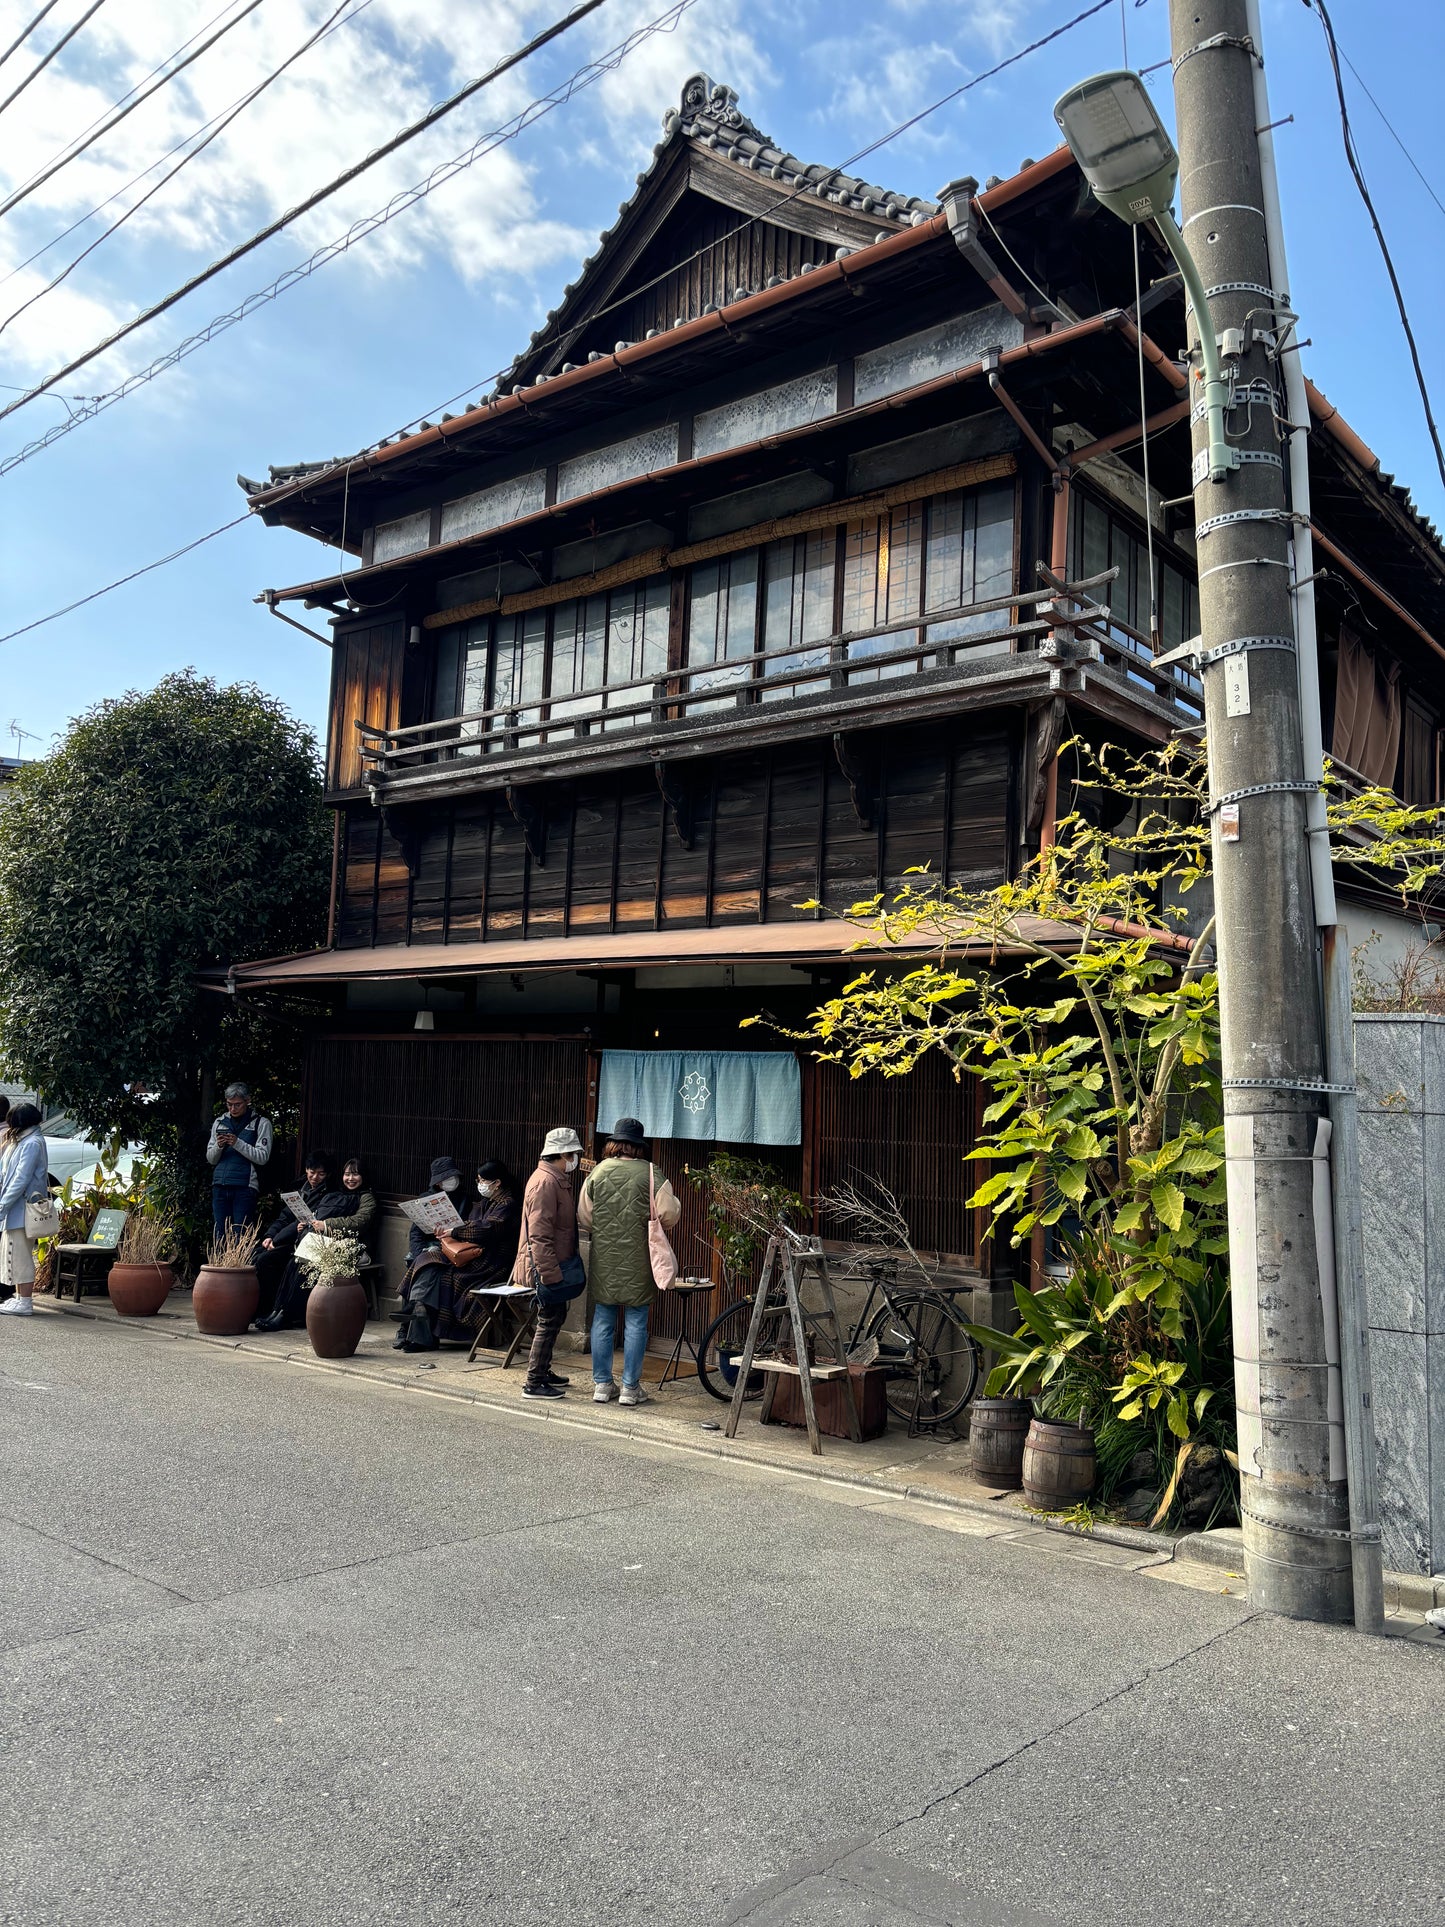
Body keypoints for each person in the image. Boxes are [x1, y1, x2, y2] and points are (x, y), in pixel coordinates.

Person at [578, 1117, 680, 1408]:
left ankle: (601, 1384)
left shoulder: (597, 1172)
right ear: (638, 1146)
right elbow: (669, 1214)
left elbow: (584, 1216)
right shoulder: (651, 1173)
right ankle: (629, 1388)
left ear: (614, 1143)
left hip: (605, 1256)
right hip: (640, 1257)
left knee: (603, 1318)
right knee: (636, 1321)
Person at [396, 1157, 522, 1353]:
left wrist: (453, 1231)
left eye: (482, 1180)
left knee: (442, 1276)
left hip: (489, 1262)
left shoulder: (508, 1204)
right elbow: (470, 1225)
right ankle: (415, 1312)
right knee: (426, 1261)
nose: (479, 1184)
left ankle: (416, 1320)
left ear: (497, 1183)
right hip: (470, 1255)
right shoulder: (484, 1202)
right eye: (478, 1181)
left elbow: (487, 1228)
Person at [512, 1127, 586, 1400]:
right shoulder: (546, 1183)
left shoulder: (553, 1179)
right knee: (548, 1320)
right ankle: (533, 1381)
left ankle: (543, 1371)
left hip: (555, 1263)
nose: (576, 1159)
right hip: (547, 1266)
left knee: (554, 1318)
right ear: (563, 1154)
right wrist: (549, 1274)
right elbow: (539, 1235)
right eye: (574, 1154)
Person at [253, 1151, 357, 1330]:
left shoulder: (331, 1194)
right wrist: (269, 1236)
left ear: (329, 1175)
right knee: (258, 1256)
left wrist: (277, 1241)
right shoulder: (301, 1188)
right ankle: (264, 1310)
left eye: (321, 1173)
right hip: (293, 1239)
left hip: (303, 1241)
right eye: (311, 1171)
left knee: (277, 1261)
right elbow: (285, 1217)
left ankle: (280, 1312)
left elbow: (305, 1223)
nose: (315, 1177)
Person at [206, 1083, 273, 1245]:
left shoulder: (261, 1123)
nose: (233, 1109)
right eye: (229, 1104)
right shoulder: (219, 1122)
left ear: (248, 1101)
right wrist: (219, 1145)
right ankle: (219, 1268)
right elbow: (210, 1159)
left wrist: (237, 1143)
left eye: (237, 1104)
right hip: (220, 1184)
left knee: (241, 1233)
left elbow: (263, 1157)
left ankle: (239, 1269)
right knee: (220, 1234)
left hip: (245, 1185)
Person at [0, 1103, 51, 1318]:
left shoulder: (31, 1143)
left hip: (22, 1207)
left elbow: (21, 1178)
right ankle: (20, 1298)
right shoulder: (21, 1141)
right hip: (15, 1206)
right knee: (13, 1253)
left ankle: (26, 1301)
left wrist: (3, 1205)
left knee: (19, 1255)